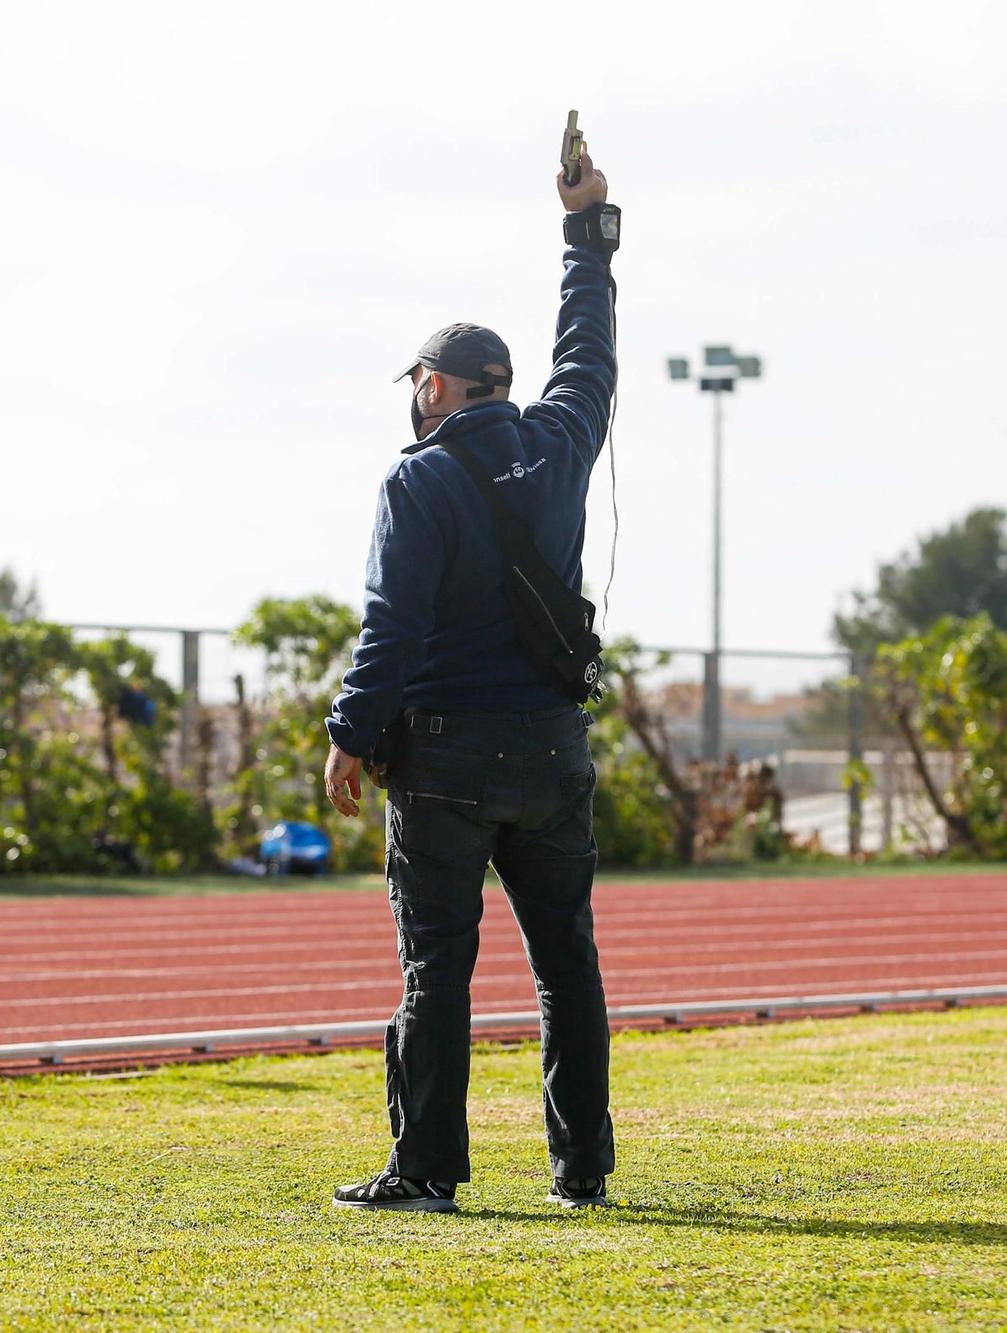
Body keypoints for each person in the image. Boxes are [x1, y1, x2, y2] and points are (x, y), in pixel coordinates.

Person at [322, 148, 619, 1211]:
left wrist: (350, 733)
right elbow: (587, 359)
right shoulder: (561, 442)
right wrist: (585, 234)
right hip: (551, 746)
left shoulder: (419, 475)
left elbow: (389, 625)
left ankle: (425, 1169)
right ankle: (579, 1165)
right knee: (564, 963)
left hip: (445, 753)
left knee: (434, 967)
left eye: (416, 381)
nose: (414, 396)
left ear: (437, 387)